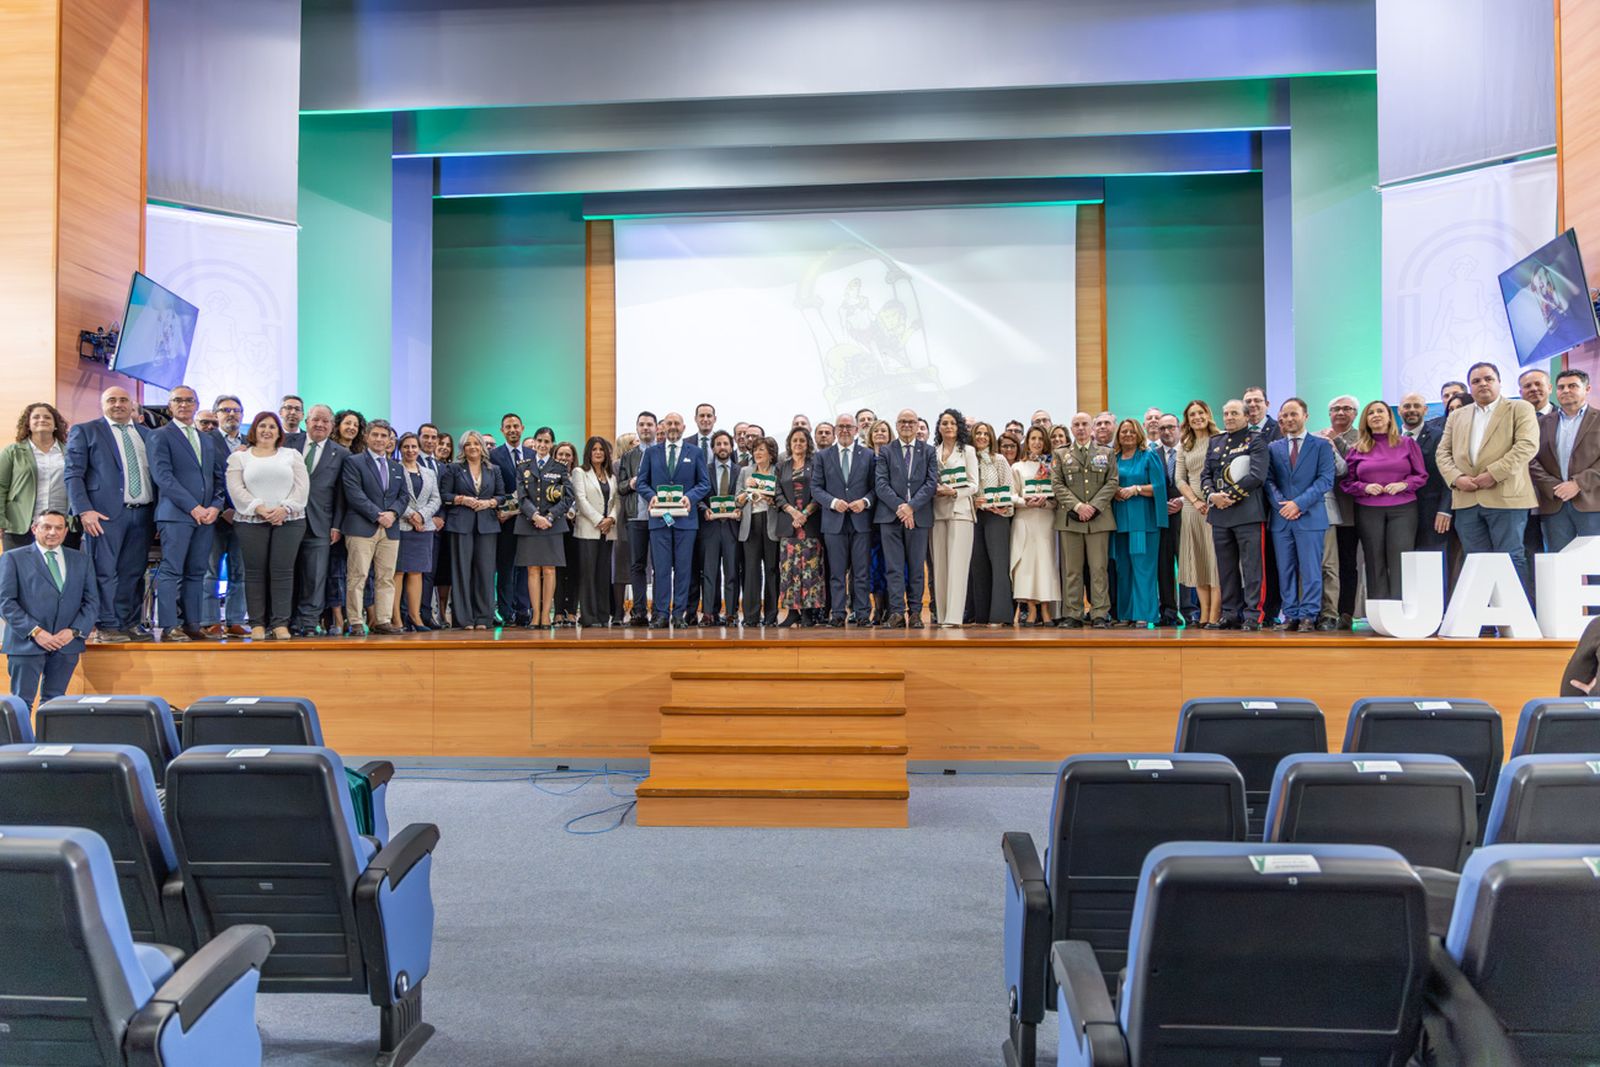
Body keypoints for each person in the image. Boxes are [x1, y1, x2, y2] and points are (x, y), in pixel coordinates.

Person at [1436, 361, 1541, 591]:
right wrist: (1456, 478)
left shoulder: (1520, 409)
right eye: (1476, 381)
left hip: (1507, 497)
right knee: (1476, 562)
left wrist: (1493, 474)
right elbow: (1442, 452)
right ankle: (1485, 619)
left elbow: (1527, 446)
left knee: (1510, 557)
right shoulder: (1457, 416)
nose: (1482, 384)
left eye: (1488, 379)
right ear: (1469, 388)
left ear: (1499, 382)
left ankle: (1515, 623)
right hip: (1466, 499)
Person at [65, 387, 154, 643]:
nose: (118, 404)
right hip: (102, 516)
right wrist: (84, 510)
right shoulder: (86, 431)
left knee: (133, 571)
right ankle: (106, 624)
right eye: (112, 400)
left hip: (143, 513)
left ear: (132, 405)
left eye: (123, 400)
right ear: (102, 404)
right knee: (104, 571)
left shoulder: (147, 435)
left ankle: (129, 622)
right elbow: (73, 474)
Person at [149, 385, 228, 641]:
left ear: (196, 404)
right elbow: (163, 477)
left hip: (206, 517)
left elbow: (217, 477)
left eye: (189, 400)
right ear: (170, 405)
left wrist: (215, 506)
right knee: (172, 571)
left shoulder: (207, 438)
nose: (184, 405)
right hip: (176, 515)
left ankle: (192, 624)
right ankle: (170, 626)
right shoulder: (160, 435)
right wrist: (193, 507)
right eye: (177, 401)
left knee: (196, 571)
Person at [225, 411, 310, 640]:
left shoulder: (291, 455)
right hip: (251, 521)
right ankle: (257, 624)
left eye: (272, 426)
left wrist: (284, 508)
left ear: (278, 431)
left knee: (283, 572)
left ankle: (280, 623)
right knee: (254, 573)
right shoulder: (240, 458)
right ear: (254, 429)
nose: (267, 430)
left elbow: (302, 489)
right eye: (262, 426)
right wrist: (259, 508)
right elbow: (236, 489)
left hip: (289, 521)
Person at [0, 511, 96, 707]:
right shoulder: (13, 558)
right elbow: (5, 602)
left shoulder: (81, 560)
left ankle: (48, 740)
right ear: (35, 529)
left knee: (55, 705)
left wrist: (73, 631)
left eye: (59, 528)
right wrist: (36, 632)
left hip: (65, 645)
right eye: (47, 527)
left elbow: (92, 602)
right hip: (26, 644)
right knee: (21, 703)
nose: (53, 532)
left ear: (66, 531)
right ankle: (19, 740)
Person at [1343, 400, 1427, 602]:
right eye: (1371, 413)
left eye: (1381, 411)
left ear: (1390, 417)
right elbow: (1347, 482)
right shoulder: (1357, 449)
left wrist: (1404, 485)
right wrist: (1364, 487)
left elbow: (1421, 475)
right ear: (1366, 420)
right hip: (1368, 510)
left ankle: (1400, 609)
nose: (1376, 415)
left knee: (1400, 558)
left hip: (1403, 509)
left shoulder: (1407, 443)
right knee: (1374, 560)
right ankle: (1379, 613)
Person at [1265, 399, 1335, 632]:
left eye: (1293, 414)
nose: (1288, 419)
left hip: (1310, 516)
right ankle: (1291, 614)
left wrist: (1298, 504)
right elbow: (1268, 480)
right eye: (1284, 415)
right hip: (1282, 518)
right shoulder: (1273, 448)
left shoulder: (1321, 445)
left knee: (1311, 569)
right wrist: (1283, 505)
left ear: (1305, 416)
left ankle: (1309, 615)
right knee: (1285, 569)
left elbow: (1325, 479)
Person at [638, 411, 709, 628]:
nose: (673, 426)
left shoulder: (695, 453)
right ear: (663, 427)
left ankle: (679, 614)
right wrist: (652, 497)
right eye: (669, 423)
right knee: (661, 568)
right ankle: (660, 614)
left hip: (685, 521)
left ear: (684, 427)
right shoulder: (651, 453)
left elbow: (704, 484)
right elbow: (642, 483)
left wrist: (690, 497)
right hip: (660, 519)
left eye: (677, 423)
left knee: (684, 569)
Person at [1202, 399, 1268, 630]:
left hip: (1247, 512)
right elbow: (1206, 475)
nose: (1228, 417)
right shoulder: (1216, 441)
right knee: (1226, 567)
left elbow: (1257, 476)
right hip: (1219, 515)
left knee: (1252, 567)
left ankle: (1253, 614)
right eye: (1225, 413)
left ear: (1247, 416)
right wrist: (1212, 496)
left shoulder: (1257, 440)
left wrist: (1228, 495)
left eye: (1234, 413)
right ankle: (1230, 613)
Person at [340, 419, 406, 636]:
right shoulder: (354, 462)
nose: (379, 439)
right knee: (357, 576)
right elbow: (354, 494)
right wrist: (378, 515)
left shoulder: (397, 466)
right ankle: (356, 621)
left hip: (390, 529)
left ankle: (383, 620)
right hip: (362, 527)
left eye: (384, 436)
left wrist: (393, 513)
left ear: (389, 440)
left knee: (386, 577)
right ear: (367, 437)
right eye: (375, 435)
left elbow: (404, 496)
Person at [1052, 412, 1117, 628]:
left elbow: (1112, 481)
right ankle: (1073, 613)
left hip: (1099, 519)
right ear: (1072, 429)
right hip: (1071, 519)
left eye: (1084, 424)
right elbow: (1058, 484)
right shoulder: (1061, 454)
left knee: (1099, 569)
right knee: (1072, 570)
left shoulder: (1106, 453)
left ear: (1092, 428)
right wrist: (1078, 506)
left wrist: (1093, 506)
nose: (1081, 428)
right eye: (1076, 425)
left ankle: (1099, 613)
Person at [875, 409, 938, 628]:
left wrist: (911, 507)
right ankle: (897, 612)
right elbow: (881, 484)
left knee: (916, 568)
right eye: (902, 421)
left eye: (911, 421)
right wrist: (901, 507)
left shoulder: (928, 451)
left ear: (917, 424)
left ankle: (916, 613)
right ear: (897, 424)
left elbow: (931, 483)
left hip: (919, 517)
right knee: (893, 568)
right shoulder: (886, 451)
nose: (907, 425)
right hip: (890, 518)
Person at [290, 404, 347, 636]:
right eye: (315, 420)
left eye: (325, 421)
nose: (320, 425)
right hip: (287, 520)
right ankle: (284, 620)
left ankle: (307, 622)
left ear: (332, 426)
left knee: (315, 576)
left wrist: (337, 524)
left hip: (321, 523)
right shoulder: (287, 445)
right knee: (287, 573)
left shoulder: (342, 453)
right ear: (306, 422)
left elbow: (342, 494)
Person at [813, 412, 874, 626]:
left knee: (861, 572)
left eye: (849, 427)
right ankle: (838, 614)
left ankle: (863, 613)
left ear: (856, 430)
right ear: (835, 430)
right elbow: (816, 488)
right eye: (841, 426)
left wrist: (865, 501)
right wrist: (832, 502)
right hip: (833, 521)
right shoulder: (822, 456)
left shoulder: (868, 455)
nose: (845, 430)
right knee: (836, 573)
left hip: (861, 521)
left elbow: (876, 488)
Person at [1531, 368, 1600, 551]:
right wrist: (1552, 487)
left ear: (1587, 389)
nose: (1566, 390)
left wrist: (1578, 483)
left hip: (1592, 503)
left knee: (1595, 566)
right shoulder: (1541, 423)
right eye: (1561, 387)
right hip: (1554, 505)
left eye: (1573, 386)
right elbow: (1530, 459)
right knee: (1559, 565)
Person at [440, 430, 503, 630]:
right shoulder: (454, 469)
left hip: (487, 525)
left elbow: (502, 495)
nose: (473, 447)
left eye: (476, 444)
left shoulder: (494, 470)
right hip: (461, 525)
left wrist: (490, 503)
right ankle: (464, 619)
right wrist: (461, 499)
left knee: (485, 572)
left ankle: (484, 617)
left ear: (482, 447)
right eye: (468, 444)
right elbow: (444, 494)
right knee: (461, 571)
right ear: (463, 448)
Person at [1108, 418, 1166, 627]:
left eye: (1132, 431)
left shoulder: (1148, 455)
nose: (1128, 435)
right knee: (1123, 570)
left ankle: (1144, 615)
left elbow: (1159, 487)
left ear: (1139, 433)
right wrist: (1113, 491)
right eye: (1124, 432)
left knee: (1143, 569)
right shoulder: (1113, 457)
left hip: (1144, 522)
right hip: (1119, 522)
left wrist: (1137, 489)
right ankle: (1125, 615)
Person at [925, 408, 978, 628]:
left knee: (958, 565)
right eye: (944, 423)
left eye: (952, 423)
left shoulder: (968, 451)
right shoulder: (932, 452)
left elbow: (974, 485)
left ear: (959, 427)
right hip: (937, 512)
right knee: (940, 566)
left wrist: (955, 492)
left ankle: (954, 617)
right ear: (939, 427)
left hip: (960, 512)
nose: (948, 427)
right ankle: (942, 614)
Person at [513, 427, 570, 628]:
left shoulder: (560, 467)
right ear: (535, 443)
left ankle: (546, 614)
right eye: (539, 441)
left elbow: (567, 497)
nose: (542, 445)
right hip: (529, 524)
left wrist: (550, 517)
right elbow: (521, 496)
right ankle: (535, 614)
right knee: (532, 570)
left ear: (552, 444)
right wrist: (536, 516)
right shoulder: (523, 466)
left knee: (549, 570)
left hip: (552, 525)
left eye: (546, 441)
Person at [203, 393, 249, 636]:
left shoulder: (252, 444)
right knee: (211, 570)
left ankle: (234, 620)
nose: (231, 414)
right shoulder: (205, 440)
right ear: (216, 414)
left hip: (244, 519)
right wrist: (222, 509)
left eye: (236, 410)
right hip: (214, 517)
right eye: (225, 410)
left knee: (240, 571)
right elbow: (206, 479)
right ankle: (210, 620)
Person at [0, 402, 75, 552]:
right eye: (36, 417)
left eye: (47, 417)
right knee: (20, 571)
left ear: (55, 425)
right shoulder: (13, 451)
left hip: (62, 525)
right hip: (20, 525)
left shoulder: (71, 453)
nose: (42, 420)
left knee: (61, 572)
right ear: (28, 424)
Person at [1176, 401, 1222, 628]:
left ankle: (1215, 613)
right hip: (1192, 509)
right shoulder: (1184, 444)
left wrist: (1212, 498)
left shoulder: (1220, 439)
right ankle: (1203, 613)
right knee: (1199, 560)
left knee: (1215, 560)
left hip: (1216, 506)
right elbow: (1179, 479)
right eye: (1192, 414)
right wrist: (1194, 500)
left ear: (1208, 414)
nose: (1197, 417)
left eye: (1200, 413)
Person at [775, 426, 824, 626]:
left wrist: (804, 514)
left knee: (810, 570)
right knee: (790, 569)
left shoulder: (816, 464)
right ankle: (792, 612)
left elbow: (819, 491)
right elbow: (777, 493)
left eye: (802, 441)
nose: (798, 444)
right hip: (789, 524)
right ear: (789, 443)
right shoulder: (782, 466)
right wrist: (792, 512)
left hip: (810, 523)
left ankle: (808, 614)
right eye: (795, 440)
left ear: (808, 443)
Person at [392, 432, 441, 632]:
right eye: (406, 447)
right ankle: (396, 619)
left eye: (414, 446)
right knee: (398, 573)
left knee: (417, 573)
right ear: (400, 449)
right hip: (402, 527)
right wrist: (412, 516)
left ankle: (416, 617)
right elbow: (392, 497)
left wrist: (421, 516)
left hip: (424, 529)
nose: (410, 450)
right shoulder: (395, 469)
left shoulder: (429, 472)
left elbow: (436, 498)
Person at [1319, 395, 1361, 628]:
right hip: (1322, 511)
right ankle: (1324, 610)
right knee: (1323, 565)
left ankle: (1345, 612)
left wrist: (1336, 442)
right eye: (1336, 409)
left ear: (1355, 413)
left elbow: (1354, 466)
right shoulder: (1318, 436)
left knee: (1346, 563)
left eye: (1347, 409)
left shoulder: (1362, 437)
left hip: (1349, 511)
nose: (1341, 413)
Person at [1010, 426, 1056, 626]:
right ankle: (1031, 608)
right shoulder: (1017, 467)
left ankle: (1046, 608)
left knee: (1046, 565)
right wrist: (1024, 501)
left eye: (1040, 439)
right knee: (1026, 565)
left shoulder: (1052, 467)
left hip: (1046, 520)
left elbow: (1058, 498)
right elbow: (1011, 495)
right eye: (1033, 438)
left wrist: (1045, 502)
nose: (1036, 442)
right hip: (1025, 519)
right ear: (1027, 442)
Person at [969, 422, 1014, 626]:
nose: (982, 437)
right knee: (978, 566)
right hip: (975, 516)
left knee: (999, 565)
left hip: (997, 516)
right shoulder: (968, 458)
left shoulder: (1000, 460)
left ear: (991, 437)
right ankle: (982, 615)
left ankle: (1000, 615)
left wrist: (1003, 506)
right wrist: (973, 501)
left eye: (985, 433)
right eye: (978, 433)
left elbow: (1008, 488)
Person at [489, 413, 532, 626]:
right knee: (505, 567)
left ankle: (523, 609)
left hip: (529, 521)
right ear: (502, 430)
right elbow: (494, 488)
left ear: (522, 428)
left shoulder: (533, 454)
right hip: (505, 521)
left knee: (525, 567)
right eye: (508, 427)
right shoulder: (493, 455)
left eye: (516, 426)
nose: (512, 429)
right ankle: (506, 612)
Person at [572, 435, 619, 627]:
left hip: (607, 532)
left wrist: (612, 519)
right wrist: (600, 520)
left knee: (603, 574)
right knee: (588, 574)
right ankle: (588, 616)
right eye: (594, 449)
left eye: (601, 449)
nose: (598, 452)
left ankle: (602, 615)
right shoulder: (580, 472)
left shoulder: (611, 476)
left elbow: (616, 501)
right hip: (588, 530)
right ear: (588, 453)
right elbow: (581, 500)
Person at [616, 411, 657, 625]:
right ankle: (639, 611)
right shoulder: (628, 456)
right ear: (637, 428)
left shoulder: (662, 453)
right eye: (641, 424)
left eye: (649, 424)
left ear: (656, 428)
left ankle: (659, 611)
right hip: (635, 517)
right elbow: (620, 487)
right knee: (637, 566)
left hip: (660, 517)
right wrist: (631, 483)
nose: (645, 428)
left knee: (660, 566)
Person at [1399, 393, 1453, 554]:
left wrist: (1445, 510)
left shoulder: (1440, 436)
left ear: (1425, 409)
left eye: (1416, 406)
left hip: (1432, 513)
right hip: (1399, 513)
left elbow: (1448, 476)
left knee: (1432, 563)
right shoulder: (1390, 439)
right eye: (1407, 406)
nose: (1412, 410)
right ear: (1399, 410)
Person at [697, 430, 742, 626]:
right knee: (709, 572)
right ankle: (709, 613)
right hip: (710, 527)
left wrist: (740, 508)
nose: (722, 447)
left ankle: (731, 613)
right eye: (718, 444)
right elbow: (697, 496)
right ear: (713, 448)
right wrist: (704, 509)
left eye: (725, 444)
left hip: (732, 527)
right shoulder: (703, 470)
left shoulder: (741, 470)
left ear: (731, 447)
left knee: (731, 572)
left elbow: (745, 496)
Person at [737, 434, 781, 626]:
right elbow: (736, 500)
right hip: (751, 524)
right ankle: (750, 617)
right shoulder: (745, 472)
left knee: (772, 570)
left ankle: (771, 616)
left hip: (771, 523)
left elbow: (781, 500)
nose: (757, 453)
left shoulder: (777, 471)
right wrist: (746, 493)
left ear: (771, 454)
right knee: (751, 570)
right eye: (755, 450)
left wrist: (770, 499)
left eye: (761, 449)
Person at [1151, 414, 1184, 626]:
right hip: (1161, 515)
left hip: (1186, 513)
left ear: (1179, 428)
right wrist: (1161, 504)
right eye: (1162, 428)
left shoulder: (1188, 451)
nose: (1166, 432)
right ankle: (1168, 611)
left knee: (1187, 564)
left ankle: (1192, 610)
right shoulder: (1152, 455)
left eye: (1170, 427)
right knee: (1163, 566)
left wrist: (1182, 500)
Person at [866, 419, 895, 622]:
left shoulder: (895, 456)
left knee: (892, 563)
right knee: (874, 565)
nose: (879, 433)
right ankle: (878, 608)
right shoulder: (865, 457)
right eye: (876, 430)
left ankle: (893, 608)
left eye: (883, 430)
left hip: (891, 515)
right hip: (869, 518)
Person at [550, 441, 581, 626]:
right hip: (556, 527)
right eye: (560, 454)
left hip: (576, 526)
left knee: (574, 570)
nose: (564, 458)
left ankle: (572, 611)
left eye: (567, 455)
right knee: (558, 571)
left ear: (573, 458)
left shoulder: (579, 476)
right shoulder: (549, 477)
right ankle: (558, 611)